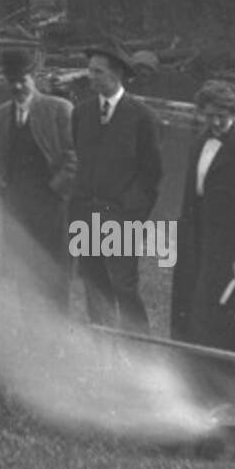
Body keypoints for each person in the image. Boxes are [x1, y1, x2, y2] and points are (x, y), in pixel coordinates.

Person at [170, 79, 235, 401]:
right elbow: (191, 194)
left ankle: (217, 387)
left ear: (234, 113)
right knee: (186, 305)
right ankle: (187, 379)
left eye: (223, 115)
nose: (216, 122)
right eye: (210, 115)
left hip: (226, 244)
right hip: (194, 237)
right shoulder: (198, 142)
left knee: (216, 314)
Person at [69, 40, 162, 333]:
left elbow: (152, 176)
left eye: (97, 72)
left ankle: (139, 353)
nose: (90, 77)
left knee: (123, 286)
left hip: (121, 217)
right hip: (85, 215)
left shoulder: (142, 118)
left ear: (117, 74)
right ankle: (102, 353)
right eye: (89, 71)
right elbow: (78, 163)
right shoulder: (81, 113)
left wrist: (131, 214)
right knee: (93, 284)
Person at [0, 48, 76, 312]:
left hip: (52, 205)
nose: (17, 86)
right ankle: (30, 328)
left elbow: (75, 157)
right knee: (21, 267)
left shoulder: (59, 109)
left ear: (34, 77)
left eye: (22, 80)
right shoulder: (0, 114)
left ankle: (58, 329)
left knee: (54, 269)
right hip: (16, 204)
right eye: (11, 80)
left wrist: (56, 187)